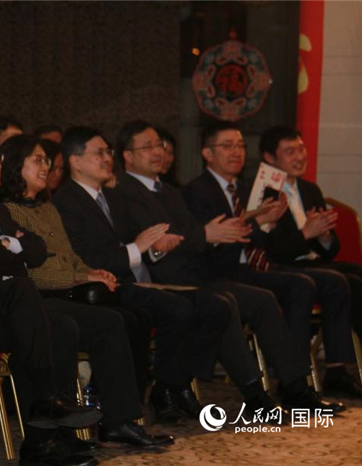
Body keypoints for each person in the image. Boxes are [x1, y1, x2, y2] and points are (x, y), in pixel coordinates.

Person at [113, 119, 342, 415]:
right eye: (148, 147)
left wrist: (226, 230)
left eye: (159, 145)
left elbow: (195, 236)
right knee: (224, 303)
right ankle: (251, 394)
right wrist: (207, 234)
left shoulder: (168, 191)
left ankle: (295, 387)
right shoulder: (123, 192)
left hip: (198, 272)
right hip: (164, 280)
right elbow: (160, 243)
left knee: (262, 299)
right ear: (128, 156)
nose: (158, 152)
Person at [0, 127, 103, 466]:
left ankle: (50, 438)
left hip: (8, 299)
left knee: (62, 327)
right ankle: (45, 404)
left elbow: (38, 251)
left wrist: (14, 246)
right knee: (26, 303)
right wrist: (15, 247)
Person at [0, 134, 174, 447]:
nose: (46, 167)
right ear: (15, 165)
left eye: (46, 160)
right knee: (98, 323)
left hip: (63, 293)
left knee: (123, 319)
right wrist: (78, 278)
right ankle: (76, 426)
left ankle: (119, 420)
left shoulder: (46, 207)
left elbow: (70, 256)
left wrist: (90, 272)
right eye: (37, 160)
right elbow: (33, 272)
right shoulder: (8, 211)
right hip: (36, 299)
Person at [52, 126, 223, 422]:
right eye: (99, 153)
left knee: (214, 306)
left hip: (129, 280)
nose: (107, 158)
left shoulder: (111, 197)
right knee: (174, 310)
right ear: (75, 161)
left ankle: (173, 384)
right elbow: (84, 259)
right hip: (98, 286)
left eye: (108, 152)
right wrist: (138, 247)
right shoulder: (65, 202)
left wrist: (155, 246)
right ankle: (161, 392)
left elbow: (137, 240)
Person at [182, 121, 356, 406]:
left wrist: (266, 225)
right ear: (207, 154)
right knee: (299, 285)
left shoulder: (246, 189)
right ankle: (293, 382)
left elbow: (264, 244)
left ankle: (298, 381)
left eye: (240, 146)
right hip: (219, 272)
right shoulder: (197, 191)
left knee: (310, 283)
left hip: (250, 267)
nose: (236, 152)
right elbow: (211, 248)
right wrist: (259, 223)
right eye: (227, 146)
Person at [259, 124, 362, 396]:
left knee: (356, 274)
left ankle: (340, 370)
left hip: (313, 262)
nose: (299, 157)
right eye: (290, 152)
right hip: (282, 267)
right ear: (270, 158)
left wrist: (324, 236)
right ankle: (336, 372)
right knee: (340, 282)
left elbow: (330, 250)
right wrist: (306, 233)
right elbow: (271, 251)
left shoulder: (309, 189)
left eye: (301, 149)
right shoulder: (264, 193)